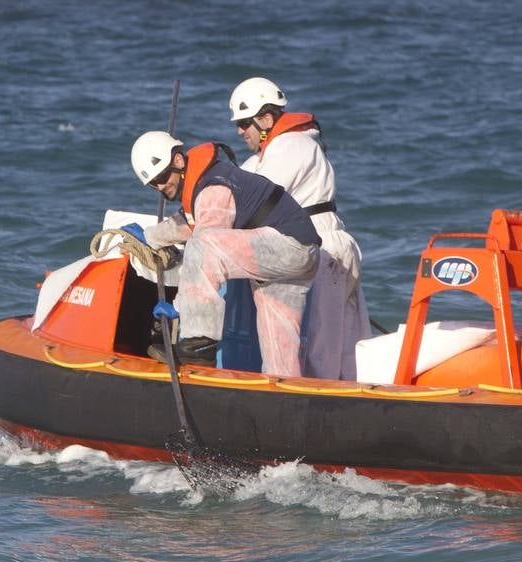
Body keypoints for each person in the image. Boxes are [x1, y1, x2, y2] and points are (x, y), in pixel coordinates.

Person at [123, 131, 321, 377]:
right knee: (279, 355)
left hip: (288, 247)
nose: (161, 186)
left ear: (178, 161)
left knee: (202, 244)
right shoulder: (208, 183)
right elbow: (189, 222)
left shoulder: (213, 188)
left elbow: (205, 245)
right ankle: (286, 399)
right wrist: (150, 237)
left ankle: (198, 345)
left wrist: (181, 308)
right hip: (295, 254)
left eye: (162, 176)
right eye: (154, 184)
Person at [229, 77, 370, 380]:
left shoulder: (292, 145)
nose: (240, 131)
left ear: (266, 118)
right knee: (342, 346)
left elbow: (254, 200)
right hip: (326, 246)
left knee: (322, 351)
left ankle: (322, 410)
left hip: (323, 249)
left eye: (243, 123)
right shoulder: (270, 154)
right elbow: (235, 189)